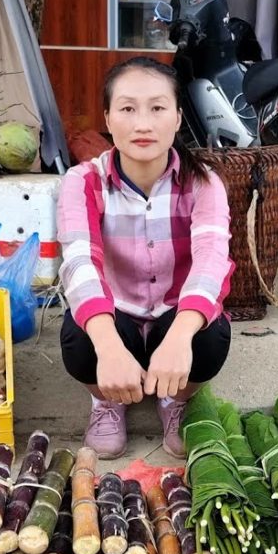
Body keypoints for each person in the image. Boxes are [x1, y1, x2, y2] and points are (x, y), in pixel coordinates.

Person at [57, 57, 234, 460]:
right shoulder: (82, 181)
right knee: (78, 340)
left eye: (157, 108)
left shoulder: (203, 181)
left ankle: (176, 399)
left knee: (210, 339)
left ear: (176, 118)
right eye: (127, 109)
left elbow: (212, 259)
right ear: (108, 117)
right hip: (116, 310)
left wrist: (179, 337)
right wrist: (108, 346)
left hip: (173, 310)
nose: (142, 124)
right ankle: (106, 401)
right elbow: (79, 261)